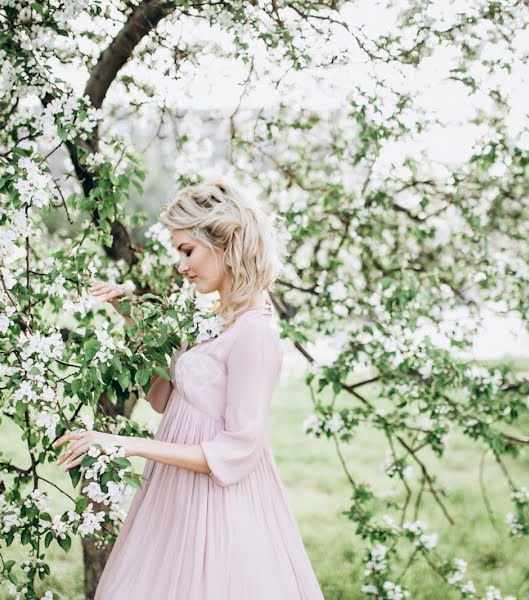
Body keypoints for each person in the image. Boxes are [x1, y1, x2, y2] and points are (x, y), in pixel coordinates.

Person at [53, 179, 325, 599]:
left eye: (187, 251)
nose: (181, 265)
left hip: (217, 508)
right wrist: (131, 315)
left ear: (227, 242)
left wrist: (125, 444)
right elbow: (168, 398)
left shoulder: (255, 333)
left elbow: (239, 449)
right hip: (175, 496)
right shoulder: (218, 318)